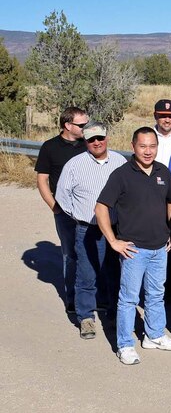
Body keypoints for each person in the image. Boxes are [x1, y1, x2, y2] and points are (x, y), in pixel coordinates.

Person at [96, 127, 171, 365]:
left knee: (156, 294)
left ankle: (153, 335)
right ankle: (124, 345)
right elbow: (101, 207)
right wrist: (113, 240)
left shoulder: (162, 171)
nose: (147, 151)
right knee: (129, 299)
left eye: (152, 146)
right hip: (134, 249)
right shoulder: (121, 174)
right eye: (142, 146)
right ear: (133, 146)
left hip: (159, 248)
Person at [57, 121, 125, 339]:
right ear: (85, 141)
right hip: (87, 229)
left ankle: (113, 313)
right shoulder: (74, 165)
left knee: (115, 273)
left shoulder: (120, 161)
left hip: (115, 230)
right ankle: (86, 317)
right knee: (87, 274)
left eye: (100, 138)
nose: (97, 142)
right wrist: (78, 215)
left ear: (107, 138)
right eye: (91, 139)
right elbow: (62, 196)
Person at [35, 106, 89, 313]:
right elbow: (42, 180)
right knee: (70, 254)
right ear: (67, 125)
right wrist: (54, 207)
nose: (86, 128)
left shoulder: (88, 145)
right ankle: (73, 299)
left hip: (90, 210)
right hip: (65, 212)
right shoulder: (50, 147)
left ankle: (95, 296)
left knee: (94, 251)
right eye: (82, 125)